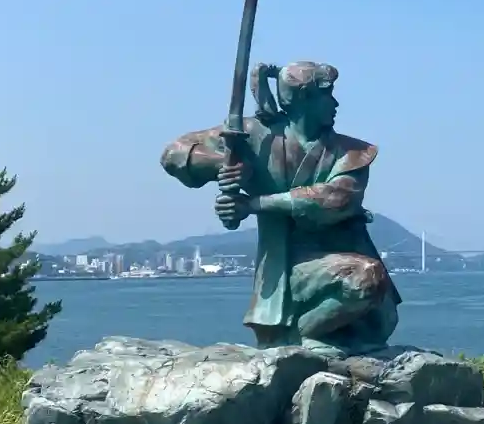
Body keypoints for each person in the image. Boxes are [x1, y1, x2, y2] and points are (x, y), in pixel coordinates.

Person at [159, 60, 399, 352]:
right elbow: (174, 154)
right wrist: (224, 164)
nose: (335, 103)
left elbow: (336, 199)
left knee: (378, 311)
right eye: (327, 94)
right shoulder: (256, 136)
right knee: (365, 276)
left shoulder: (351, 152)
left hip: (340, 255)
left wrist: (252, 204)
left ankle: (315, 333)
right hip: (286, 265)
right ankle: (306, 334)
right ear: (303, 98)